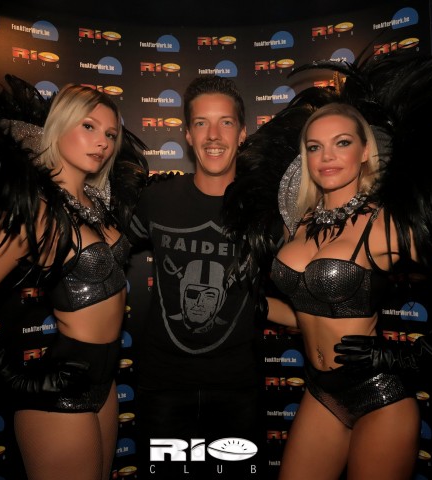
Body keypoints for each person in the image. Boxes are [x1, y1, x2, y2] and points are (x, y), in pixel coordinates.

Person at [0, 80, 147, 480]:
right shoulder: (38, 210)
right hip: (58, 392)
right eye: (88, 126)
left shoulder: (97, 204)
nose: (102, 142)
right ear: (60, 125)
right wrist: (13, 381)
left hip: (105, 384)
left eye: (110, 134)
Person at [267, 101, 432, 480]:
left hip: (380, 398)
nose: (326, 156)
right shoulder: (300, 222)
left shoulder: (386, 223)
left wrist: (408, 358)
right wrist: (255, 306)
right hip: (321, 393)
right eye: (314, 147)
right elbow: (306, 315)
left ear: (365, 151)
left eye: (342, 143)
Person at [127, 75, 270, 479]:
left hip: (237, 388)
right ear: (188, 135)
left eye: (226, 122)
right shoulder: (156, 200)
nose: (213, 135)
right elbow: (100, 251)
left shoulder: (265, 210)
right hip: (164, 387)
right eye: (201, 123)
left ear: (242, 133)